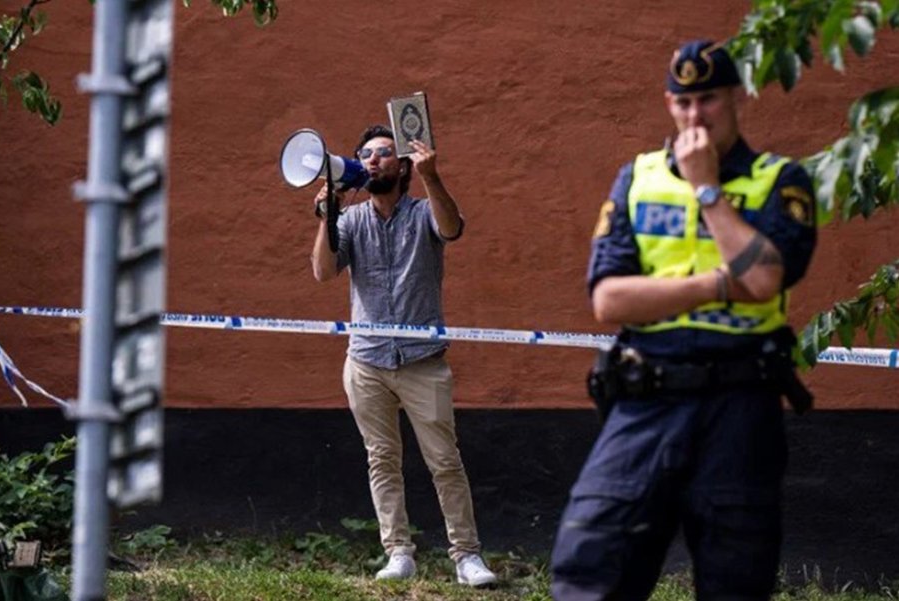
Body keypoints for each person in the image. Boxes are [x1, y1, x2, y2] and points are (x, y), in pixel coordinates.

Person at [550, 40, 818, 601]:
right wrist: (721, 284)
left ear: (734, 98)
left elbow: (768, 280)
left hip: (740, 407)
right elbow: (609, 300)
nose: (696, 115)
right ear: (669, 104)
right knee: (588, 569)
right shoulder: (637, 179)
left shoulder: (780, 181)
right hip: (646, 402)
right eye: (684, 103)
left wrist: (707, 190)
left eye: (709, 100)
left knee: (735, 582)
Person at [310, 125, 497, 587]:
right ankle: (398, 552)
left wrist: (434, 177)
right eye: (366, 154)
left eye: (384, 154)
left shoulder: (421, 213)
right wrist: (325, 217)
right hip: (367, 361)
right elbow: (322, 272)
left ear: (404, 166)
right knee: (382, 460)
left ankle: (466, 556)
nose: (373, 160)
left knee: (444, 461)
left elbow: (451, 228)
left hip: (421, 361)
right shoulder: (351, 221)